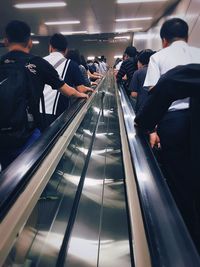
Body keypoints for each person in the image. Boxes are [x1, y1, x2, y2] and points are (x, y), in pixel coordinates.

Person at [141, 18, 200, 247]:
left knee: (179, 177)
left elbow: (155, 94)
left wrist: (151, 128)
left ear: (164, 40)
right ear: (187, 36)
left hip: (173, 122)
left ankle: (185, 236)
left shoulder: (158, 57)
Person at [0, 21, 88, 170]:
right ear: (30, 42)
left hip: (2, 135)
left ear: (6, 41)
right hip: (27, 133)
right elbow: (68, 90)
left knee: (7, 174)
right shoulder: (36, 63)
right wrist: (82, 95)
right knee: (27, 172)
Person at [43, 34, 92, 124]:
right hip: (57, 113)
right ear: (66, 50)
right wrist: (89, 89)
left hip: (38, 111)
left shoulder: (40, 61)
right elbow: (80, 89)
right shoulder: (71, 64)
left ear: (50, 47)